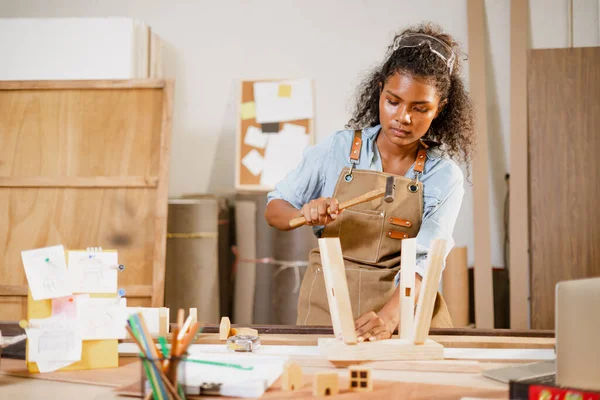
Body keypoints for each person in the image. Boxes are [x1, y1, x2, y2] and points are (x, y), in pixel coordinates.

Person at [265, 23, 475, 342]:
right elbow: (275, 209)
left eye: (420, 109)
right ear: (380, 90)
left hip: (403, 310)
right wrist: (303, 214)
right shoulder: (337, 149)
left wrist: (390, 318)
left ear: (440, 109)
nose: (403, 117)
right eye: (393, 101)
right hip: (329, 306)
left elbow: (425, 263)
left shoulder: (443, 176)